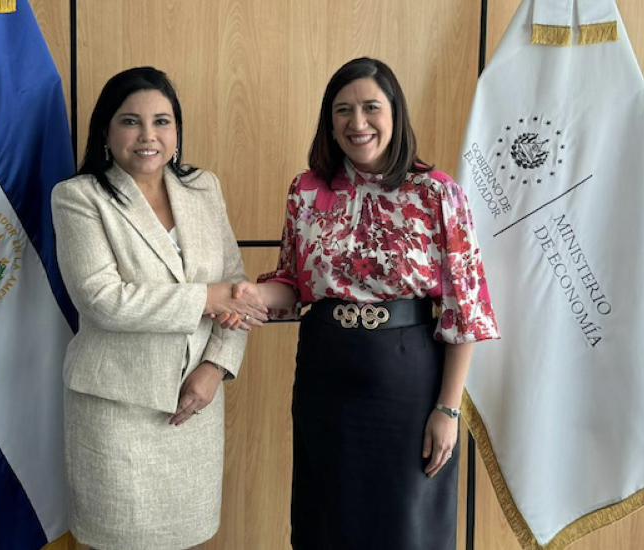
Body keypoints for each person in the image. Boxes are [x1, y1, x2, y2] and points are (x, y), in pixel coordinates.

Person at [236, 57, 500, 549]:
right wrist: (252, 295)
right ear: (330, 123)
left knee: (406, 529)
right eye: (343, 111)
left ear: (395, 113)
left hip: (409, 384)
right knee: (326, 524)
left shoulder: (437, 192)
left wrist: (448, 409)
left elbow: (465, 309)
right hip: (325, 379)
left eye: (370, 107)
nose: (357, 123)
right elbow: (294, 284)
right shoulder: (307, 191)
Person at [51, 67, 267, 550]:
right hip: (116, 411)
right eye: (131, 121)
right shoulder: (78, 197)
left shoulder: (202, 187)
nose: (148, 135)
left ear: (176, 131)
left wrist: (217, 366)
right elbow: (102, 299)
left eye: (162, 121)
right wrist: (207, 297)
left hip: (195, 406)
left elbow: (238, 290)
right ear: (106, 131)